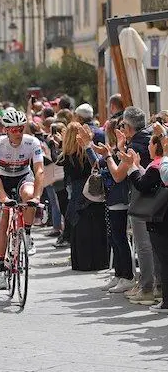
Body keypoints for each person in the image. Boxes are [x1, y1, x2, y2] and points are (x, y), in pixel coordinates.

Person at [96, 107, 158, 304]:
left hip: (142, 196)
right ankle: (150, 284)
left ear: (129, 127)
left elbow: (117, 175)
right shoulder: (146, 138)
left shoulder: (137, 145)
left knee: (144, 245)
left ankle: (148, 286)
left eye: (122, 125)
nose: (121, 128)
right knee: (150, 244)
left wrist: (108, 155)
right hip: (152, 196)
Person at [0, 109, 44, 289]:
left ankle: (27, 234)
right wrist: (3, 198)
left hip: (22, 177)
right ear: (6, 130)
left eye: (20, 129)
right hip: (2, 180)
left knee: (28, 195)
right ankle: (1, 271)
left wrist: (36, 197)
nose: (18, 133)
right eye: (13, 129)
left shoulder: (32, 142)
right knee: (3, 222)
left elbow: (39, 171)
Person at [77, 123, 132, 291]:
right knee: (114, 239)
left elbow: (112, 172)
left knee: (120, 239)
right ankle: (119, 274)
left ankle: (127, 276)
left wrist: (94, 148)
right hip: (111, 199)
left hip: (120, 199)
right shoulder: (115, 150)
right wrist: (88, 146)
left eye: (123, 129)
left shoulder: (125, 151)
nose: (119, 133)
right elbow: (98, 165)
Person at [124, 131, 168, 313]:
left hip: (160, 217)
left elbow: (142, 185)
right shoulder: (158, 165)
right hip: (161, 216)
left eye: (150, 143)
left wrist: (132, 167)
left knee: (163, 259)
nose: (148, 146)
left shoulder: (159, 165)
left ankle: (165, 301)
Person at [58, 122, 108, 271]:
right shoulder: (89, 153)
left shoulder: (67, 156)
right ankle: (100, 261)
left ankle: (82, 262)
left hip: (77, 195)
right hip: (94, 191)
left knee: (80, 230)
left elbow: (66, 179)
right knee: (98, 228)